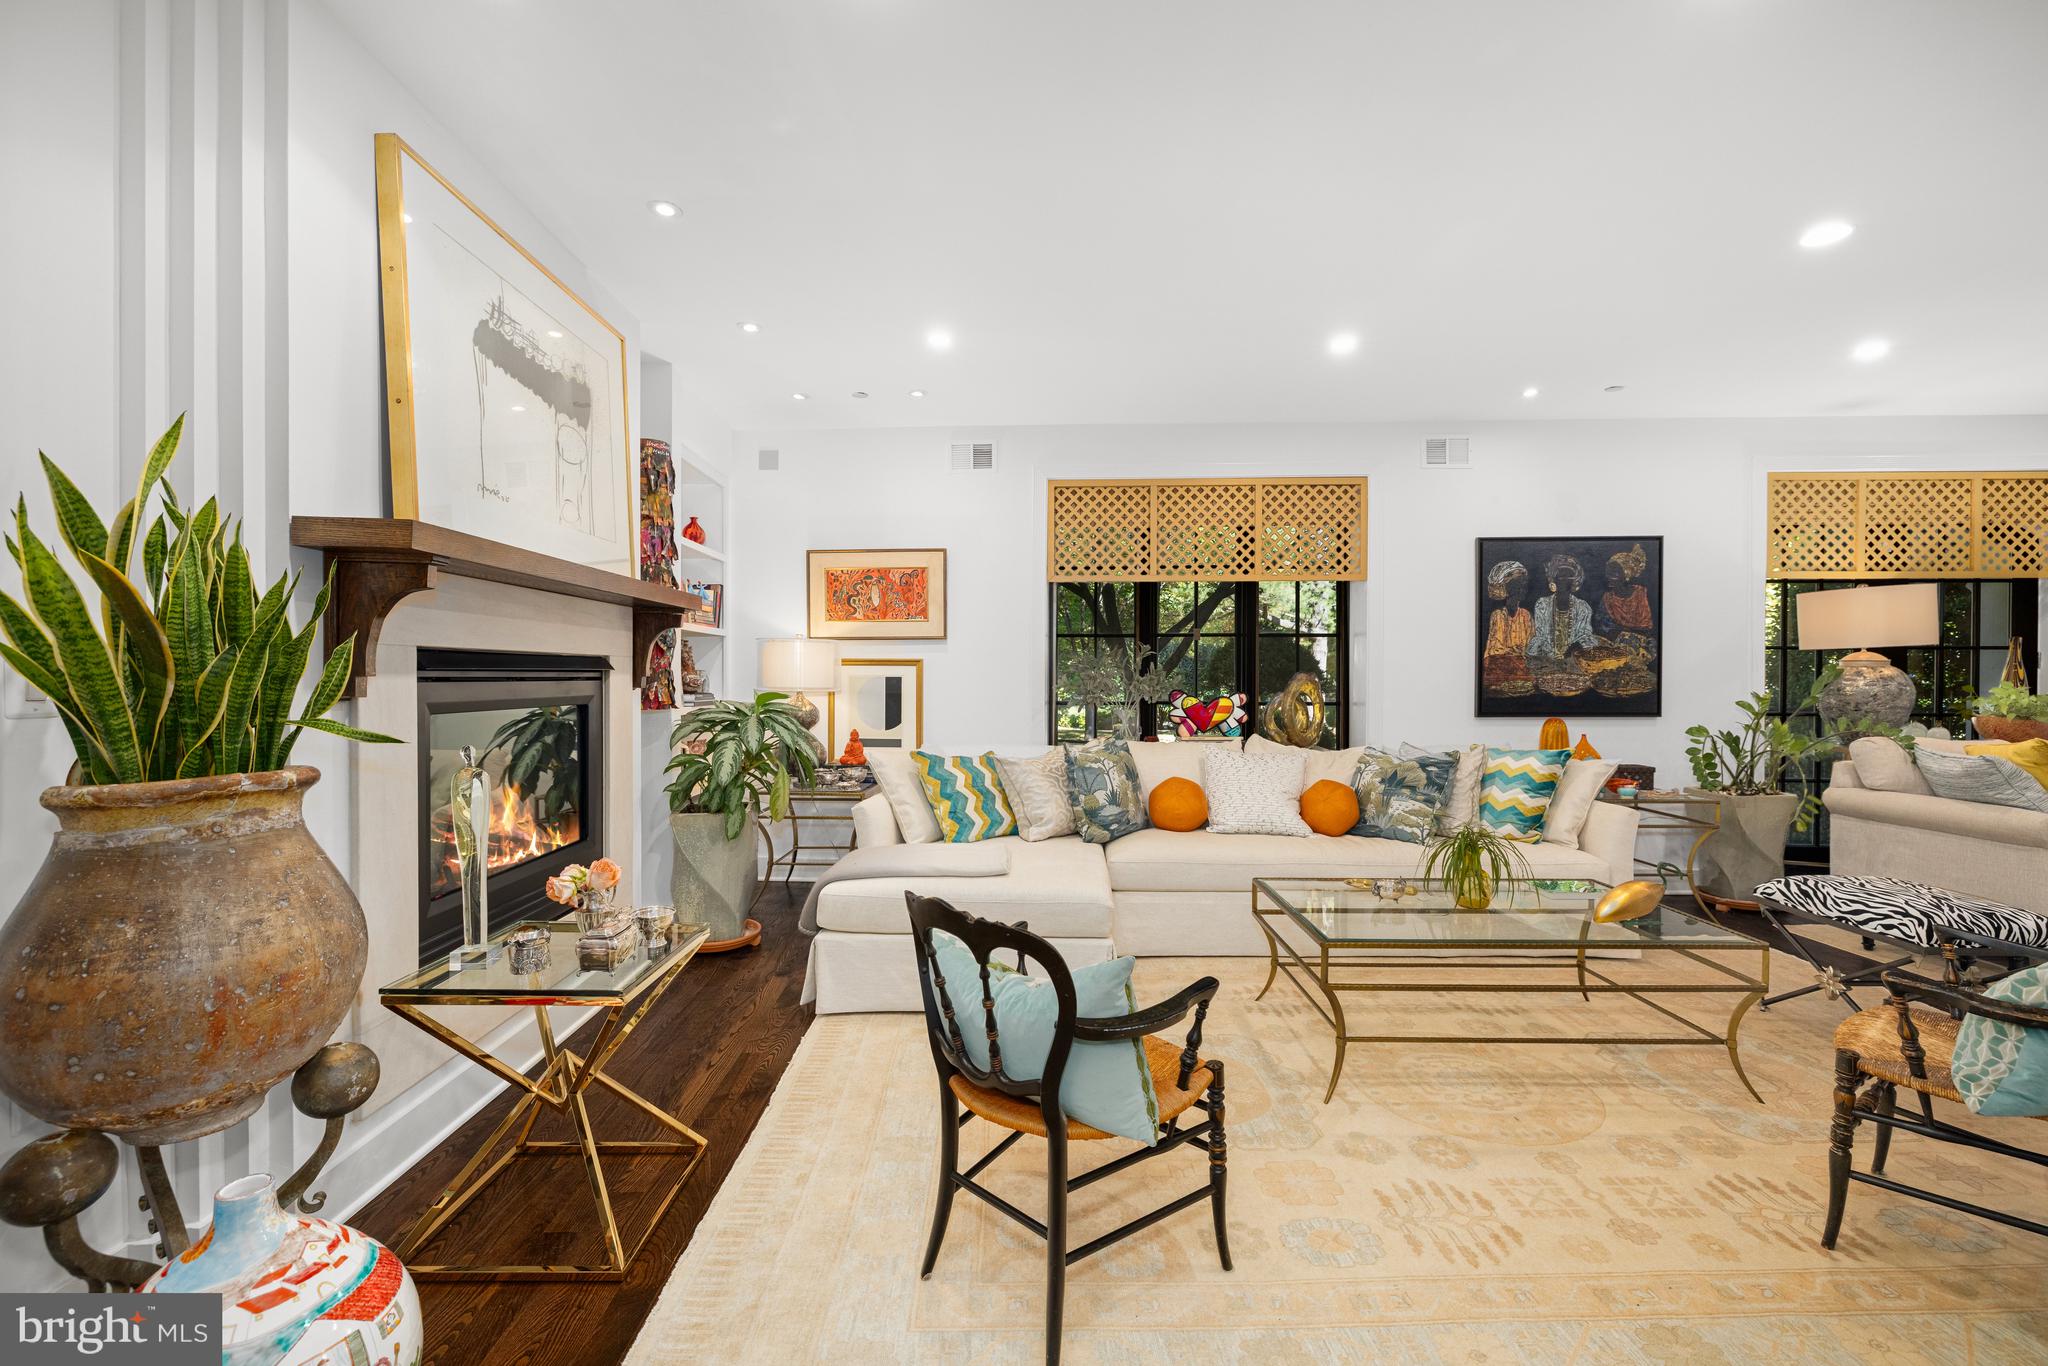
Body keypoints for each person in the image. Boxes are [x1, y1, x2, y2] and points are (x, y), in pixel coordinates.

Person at [1529, 553, 1597, 661]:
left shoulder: (1582, 607)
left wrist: (1576, 647)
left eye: (1568, 577)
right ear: (1554, 579)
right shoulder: (1542, 605)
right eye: (1560, 576)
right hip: (1546, 659)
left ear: (1574, 581)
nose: (1563, 580)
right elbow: (1540, 636)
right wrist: (1550, 657)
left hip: (1575, 659)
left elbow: (1585, 636)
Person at [1481, 560, 1534, 695]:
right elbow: (1495, 655)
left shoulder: (1525, 615)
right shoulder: (1498, 615)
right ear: (1506, 588)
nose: (1523, 589)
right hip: (1500, 677)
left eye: (1524, 584)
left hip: (1523, 676)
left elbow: (1531, 647)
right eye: (1518, 585)